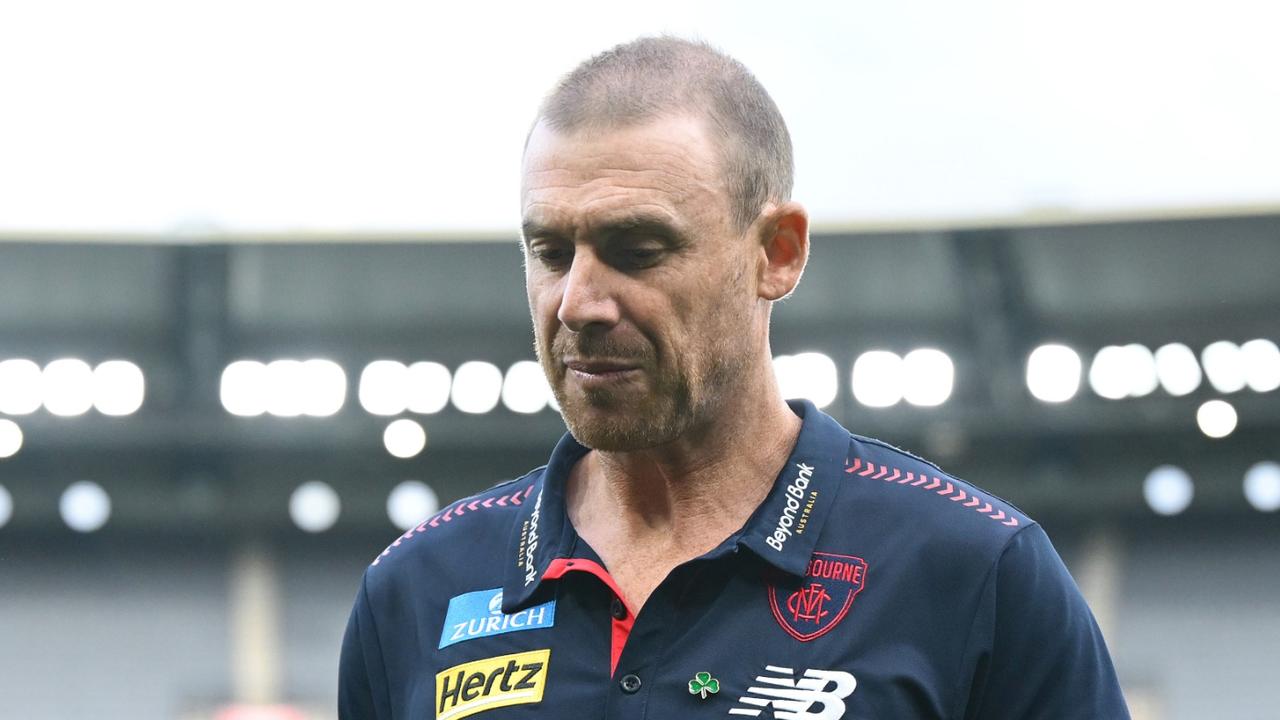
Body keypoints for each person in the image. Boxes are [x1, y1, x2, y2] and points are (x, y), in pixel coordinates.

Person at [339, 36, 1129, 720]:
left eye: (638, 249)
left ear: (777, 252)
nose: (577, 302)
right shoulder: (414, 591)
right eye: (549, 251)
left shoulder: (977, 573)